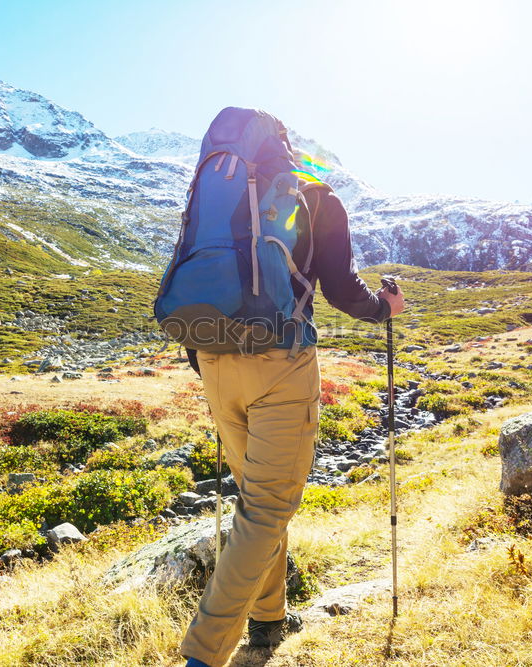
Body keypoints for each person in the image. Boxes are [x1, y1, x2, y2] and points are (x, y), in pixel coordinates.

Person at [175, 110, 406, 667]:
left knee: (257, 502)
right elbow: (342, 289)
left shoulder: (210, 192)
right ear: (286, 144)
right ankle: (202, 656)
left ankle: (268, 620)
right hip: (281, 362)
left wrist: (205, 361)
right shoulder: (314, 194)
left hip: (214, 361)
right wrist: (385, 307)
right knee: (267, 508)